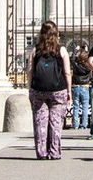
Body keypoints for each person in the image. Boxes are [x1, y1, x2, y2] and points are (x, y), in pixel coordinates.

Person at [26, 21, 72, 160]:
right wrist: (69, 91)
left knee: (40, 122)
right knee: (56, 122)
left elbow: (29, 71)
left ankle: (41, 152)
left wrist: (30, 88)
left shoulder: (35, 50)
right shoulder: (62, 50)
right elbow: (67, 73)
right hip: (58, 90)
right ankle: (54, 152)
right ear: (56, 33)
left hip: (38, 90)